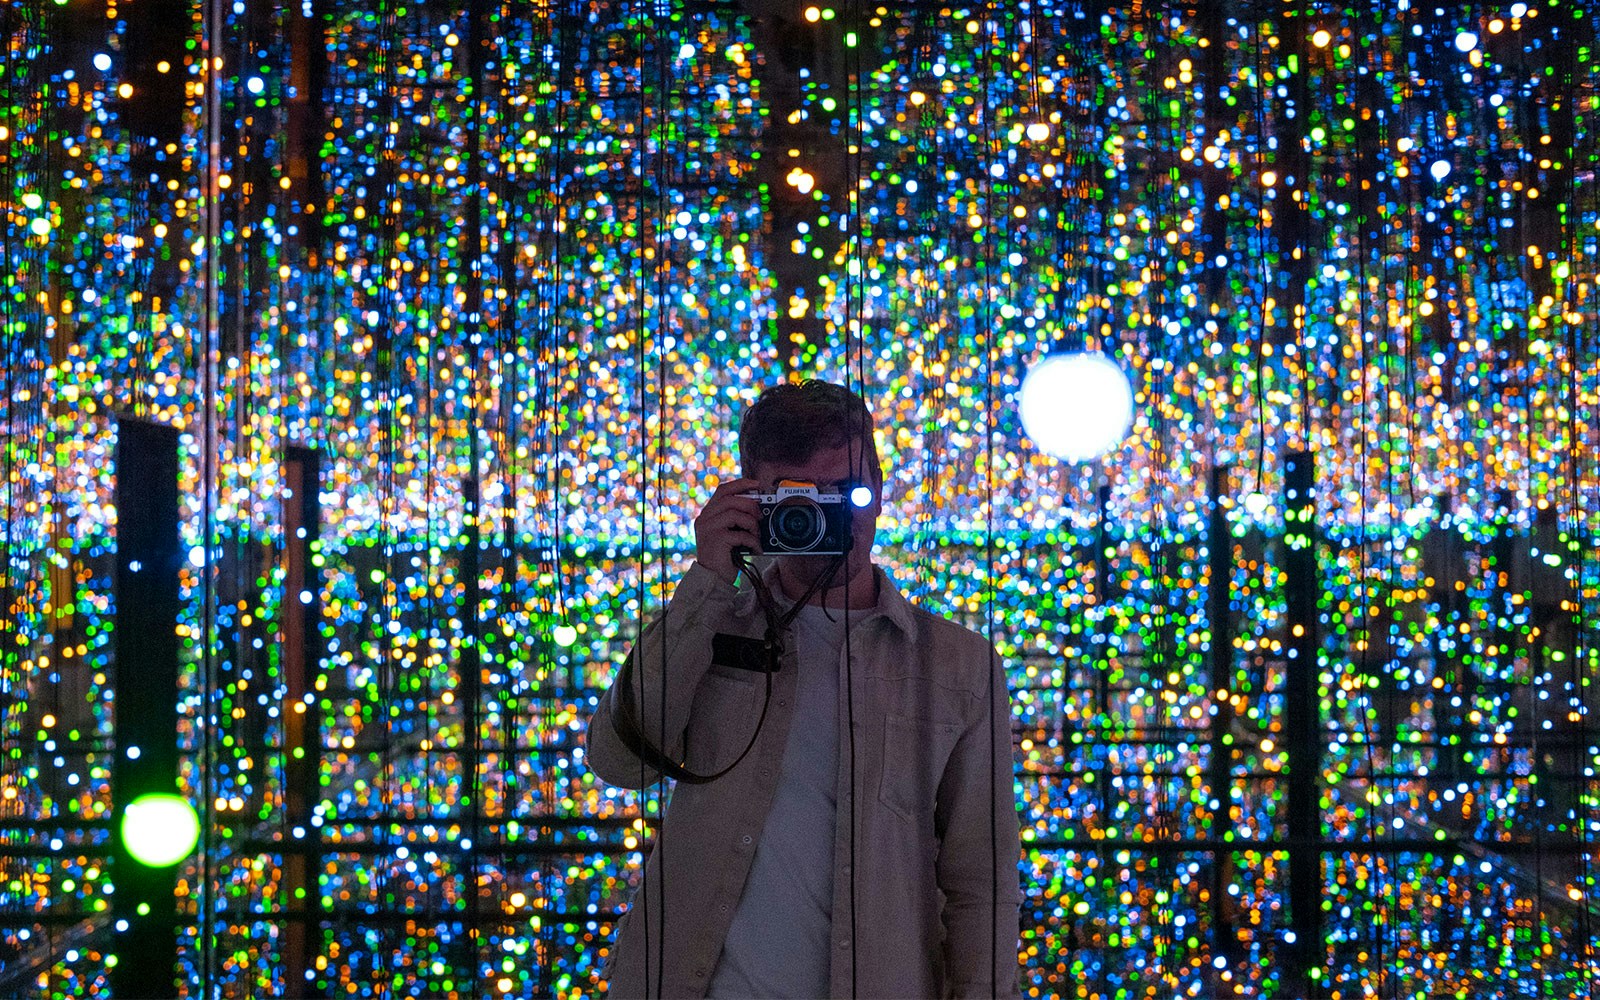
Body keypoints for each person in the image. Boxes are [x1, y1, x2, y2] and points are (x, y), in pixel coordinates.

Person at [586, 379, 1022, 999]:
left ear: (880, 486)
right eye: (802, 497)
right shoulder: (708, 626)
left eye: (850, 491)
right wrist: (708, 578)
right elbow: (618, 762)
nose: (834, 515)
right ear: (755, 498)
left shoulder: (956, 665)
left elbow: (983, 876)